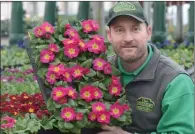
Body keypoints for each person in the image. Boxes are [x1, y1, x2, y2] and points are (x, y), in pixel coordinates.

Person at [97, 2, 194, 134]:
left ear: (148, 32)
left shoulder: (175, 80)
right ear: (109, 35)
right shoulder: (98, 72)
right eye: (119, 30)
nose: (128, 38)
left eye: (135, 29)